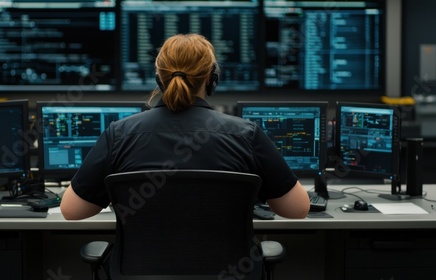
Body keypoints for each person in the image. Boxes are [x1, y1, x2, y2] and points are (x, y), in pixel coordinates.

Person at [60, 33, 310, 220]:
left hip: (141, 271)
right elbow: (297, 209)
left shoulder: (119, 134)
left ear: (159, 78)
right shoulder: (246, 135)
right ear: (212, 79)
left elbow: (72, 211)